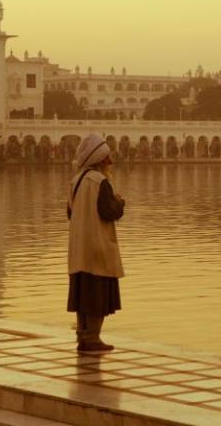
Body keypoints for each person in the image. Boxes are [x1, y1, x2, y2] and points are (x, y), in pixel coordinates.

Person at [66, 134, 126, 352]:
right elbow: (108, 211)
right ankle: (92, 339)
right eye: (107, 158)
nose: (110, 163)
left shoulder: (76, 180)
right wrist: (119, 203)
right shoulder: (100, 182)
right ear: (100, 160)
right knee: (97, 294)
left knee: (83, 294)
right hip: (97, 247)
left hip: (79, 247)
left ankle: (83, 336)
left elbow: (69, 212)